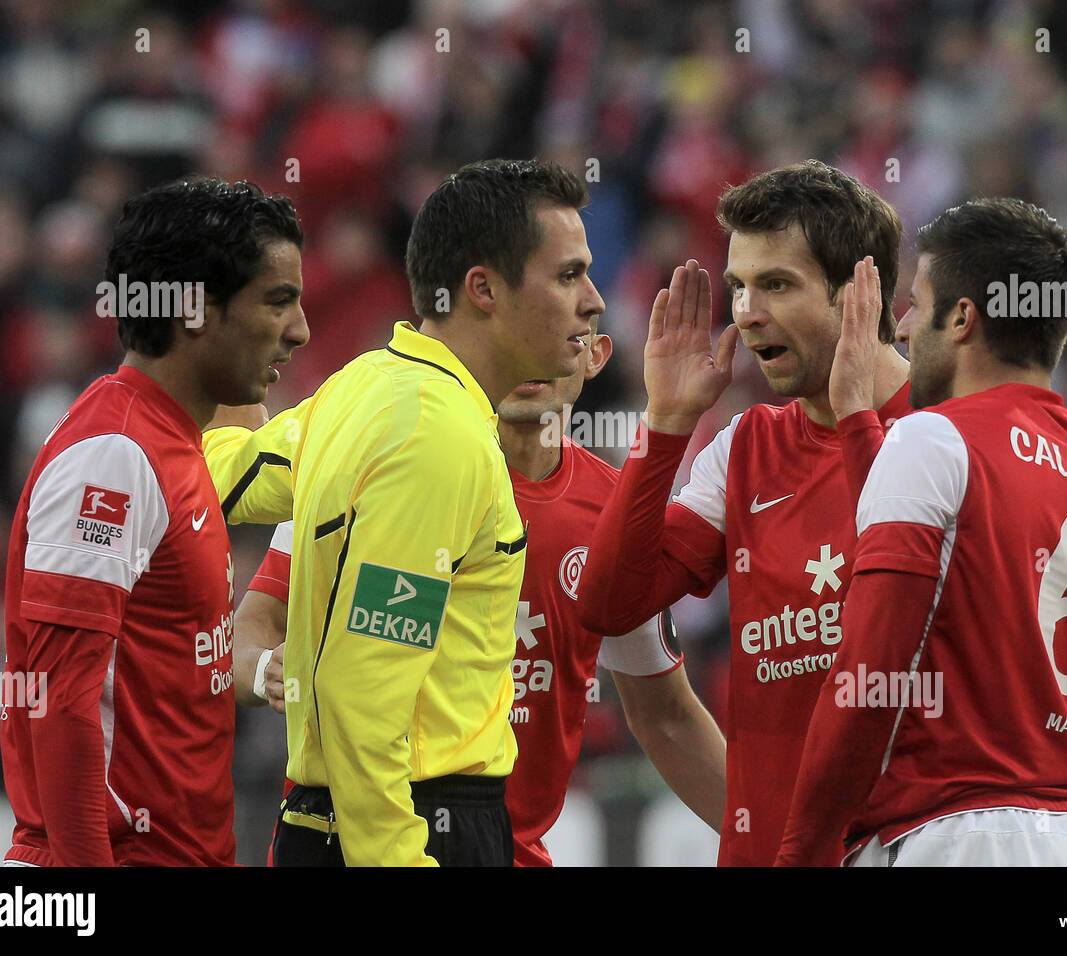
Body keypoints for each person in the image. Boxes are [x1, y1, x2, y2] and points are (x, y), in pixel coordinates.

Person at [202, 158, 604, 866]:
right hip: (418, 825)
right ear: (482, 288)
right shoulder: (437, 435)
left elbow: (226, 476)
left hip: (334, 823)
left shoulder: (363, 388)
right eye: (568, 275)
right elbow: (361, 688)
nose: (594, 300)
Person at [235, 317, 727, 866]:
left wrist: (776, 844)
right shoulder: (381, 462)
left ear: (594, 356)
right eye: (521, 326)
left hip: (500, 848)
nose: (532, 347)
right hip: (350, 838)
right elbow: (248, 632)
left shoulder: (616, 517)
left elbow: (666, 716)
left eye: (563, 332)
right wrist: (263, 670)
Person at [777, 198, 1067, 866]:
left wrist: (798, 856)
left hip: (958, 837)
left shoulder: (933, 439)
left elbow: (867, 679)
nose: (901, 330)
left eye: (915, 303)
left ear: (963, 318)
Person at [576, 160, 912, 866]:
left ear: (860, 294)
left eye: (777, 285)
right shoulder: (748, 447)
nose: (748, 312)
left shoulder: (943, 427)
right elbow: (610, 603)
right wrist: (666, 423)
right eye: (740, 288)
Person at [0, 177, 308, 866]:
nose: (300, 330)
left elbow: (164, 662)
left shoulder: (179, 444)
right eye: (277, 300)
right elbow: (61, 701)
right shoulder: (113, 457)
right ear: (195, 310)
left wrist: (256, 672)